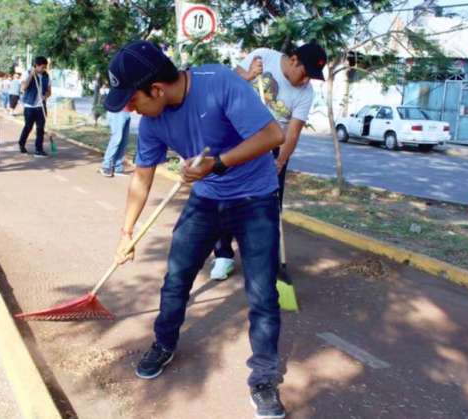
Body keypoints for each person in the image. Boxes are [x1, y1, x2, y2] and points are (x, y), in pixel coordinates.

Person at [106, 41, 286, 418]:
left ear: (156, 89)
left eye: (131, 100)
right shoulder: (153, 121)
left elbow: (273, 136)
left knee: (262, 294)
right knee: (176, 278)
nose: (129, 108)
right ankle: (163, 343)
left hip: (255, 198)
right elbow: (142, 176)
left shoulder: (218, 82)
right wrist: (126, 232)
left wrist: (217, 164)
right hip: (206, 200)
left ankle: (264, 379)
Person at [209, 41, 327, 281]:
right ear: (294, 60)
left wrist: (280, 162)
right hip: (238, 140)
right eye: (305, 74)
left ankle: (264, 261)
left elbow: (292, 132)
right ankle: (223, 255)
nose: (306, 81)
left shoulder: (306, 93)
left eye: (311, 78)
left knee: (270, 206)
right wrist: (250, 74)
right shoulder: (264, 57)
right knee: (226, 198)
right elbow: (232, 81)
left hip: (273, 149)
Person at [18, 56, 51, 157]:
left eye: (45, 67)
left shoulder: (46, 76)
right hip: (29, 106)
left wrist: (45, 96)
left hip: (41, 106)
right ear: (36, 66)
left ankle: (39, 149)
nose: (43, 69)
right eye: (42, 67)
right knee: (28, 126)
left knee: (40, 128)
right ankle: (21, 143)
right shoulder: (27, 73)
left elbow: (49, 91)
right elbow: (23, 87)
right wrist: (31, 75)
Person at [99, 110, 132, 177]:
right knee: (117, 138)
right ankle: (106, 166)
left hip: (127, 111)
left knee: (123, 140)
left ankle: (117, 167)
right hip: (117, 111)